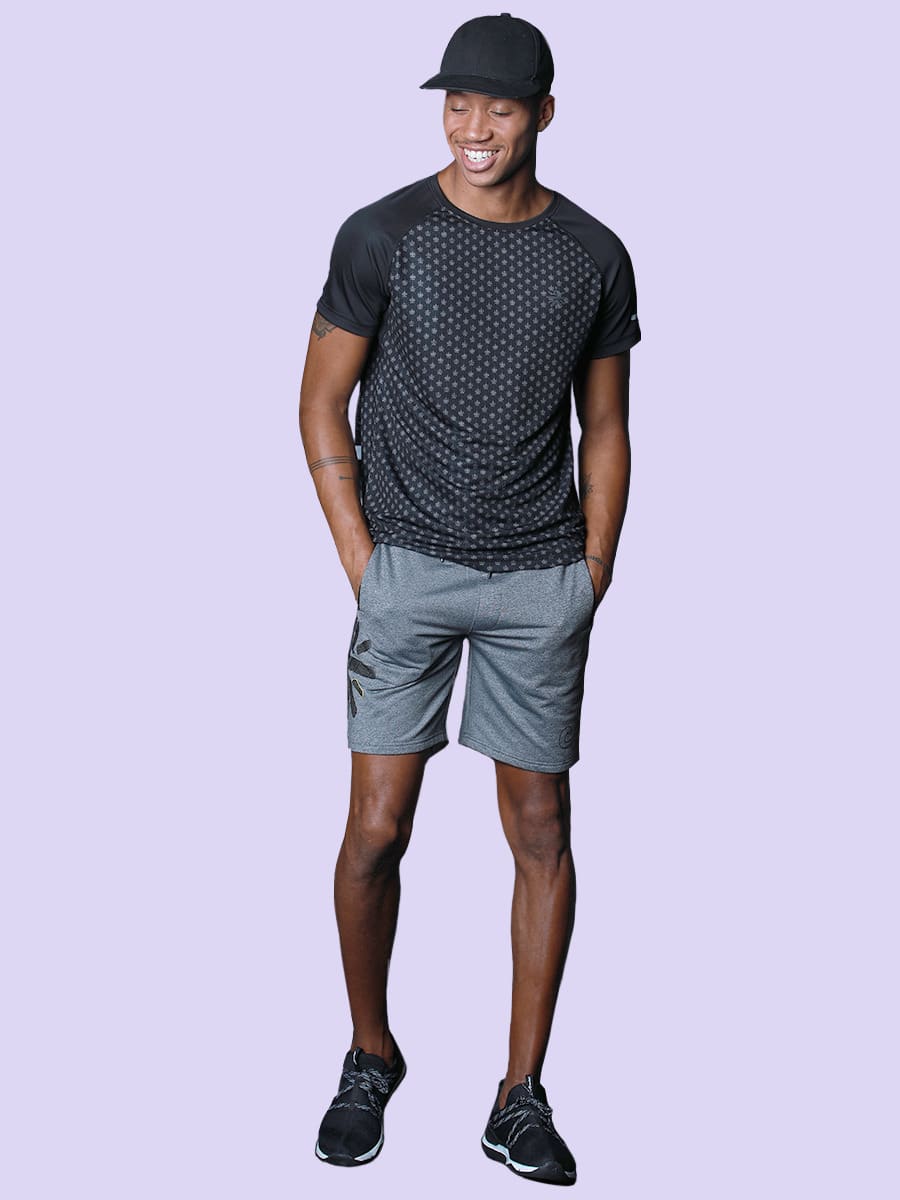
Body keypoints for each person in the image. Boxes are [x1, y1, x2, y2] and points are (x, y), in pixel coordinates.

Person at [299, 12, 641, 1186]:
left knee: (541, 834)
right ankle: (370, 1053)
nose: (474, 126)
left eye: (498, 106)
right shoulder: (383, 233)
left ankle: (519, 1093)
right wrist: (364, 561)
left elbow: (607, 422)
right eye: (457, 103)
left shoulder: (593, 253)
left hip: (540, 576)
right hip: (408, 570)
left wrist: (594, 567)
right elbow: (319, 401)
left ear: (542, 114)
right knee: (375, 830)